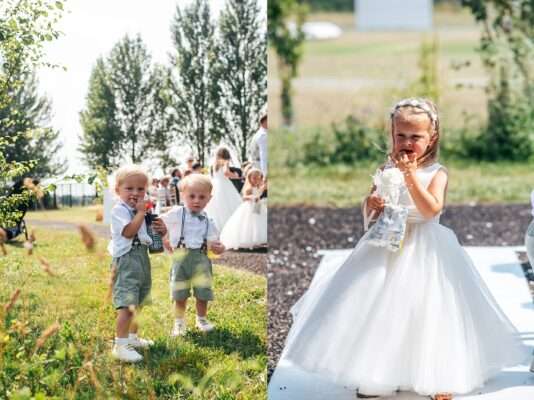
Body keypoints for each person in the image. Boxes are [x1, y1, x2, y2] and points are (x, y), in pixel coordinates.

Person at [271, 98, 528, 400]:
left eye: (415, 137)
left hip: (425, 247)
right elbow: (370, 204)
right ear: (392, 134)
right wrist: (372, 204)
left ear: (431, 136)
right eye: (400, 136)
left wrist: (409, 176)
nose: (407, 143)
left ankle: (438, 374)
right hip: (386, 244)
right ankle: (376, 374)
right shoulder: (386, 167)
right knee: (379, 310)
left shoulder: (437, 172)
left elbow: (431, 209)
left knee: (428, 311)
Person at [108, 165, 166, 362]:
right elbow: (128, 232)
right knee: (127, 303)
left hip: (141, 258)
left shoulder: (140, 210)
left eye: (140, 189)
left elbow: (148, 234)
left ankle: (132, 338)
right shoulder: (119, 210)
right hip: (126, 260)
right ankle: (120, 345)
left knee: (139, 300)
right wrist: (141, 213)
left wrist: (160, 229)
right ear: (118, 190)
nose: (135, 193)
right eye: (129, 188)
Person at [159, 174, 225, 336]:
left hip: (201, 259)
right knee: (180, 293)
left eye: (202, 197)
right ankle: (179, 323)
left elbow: (214, 242)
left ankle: (201, 319)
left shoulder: (209, 220)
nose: (196, 200)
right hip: (181, 258)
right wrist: (165, 238)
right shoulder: (177, 213)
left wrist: (219, 248)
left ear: (209, 199)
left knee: (203, 292)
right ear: (183, 195)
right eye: (192, 196)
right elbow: (159, 222)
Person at [220, 168, 267, 249]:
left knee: (258, 222)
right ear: (249, 178)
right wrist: (252, 197)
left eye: (258, 178)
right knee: (250, 222)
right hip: (249, 207)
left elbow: (260, 192)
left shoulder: (257, 187)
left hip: (257, 206)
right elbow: (244, 197)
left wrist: (263, 187)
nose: (256, 180)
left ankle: (258, 239)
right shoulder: (249, 188)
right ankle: (249, 239)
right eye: (254, 178)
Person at [204, 147, 242, 231]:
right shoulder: (225, 162)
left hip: (215, 185)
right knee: (229, 204)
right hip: (224, 184)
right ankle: (230, 227)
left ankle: (218, 228)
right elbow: (226, 172)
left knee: (217, 207)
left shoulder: (214, 164)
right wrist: (236, 176)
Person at [249, 111, 267, 178]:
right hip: (261, 172)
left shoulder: (258, 134)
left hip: (257, 170)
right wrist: (265, 175)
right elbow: (264, 157)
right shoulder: (263, 135)